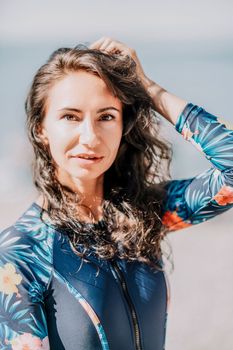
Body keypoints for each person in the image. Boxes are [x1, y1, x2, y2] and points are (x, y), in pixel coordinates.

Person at [0, 37, 233, 350]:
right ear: (41, 128)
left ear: (124, 126)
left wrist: (147, 88)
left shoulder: (142, 214)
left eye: (106, 116)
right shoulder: (22, 253)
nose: (90, 136)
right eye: (70, 116)